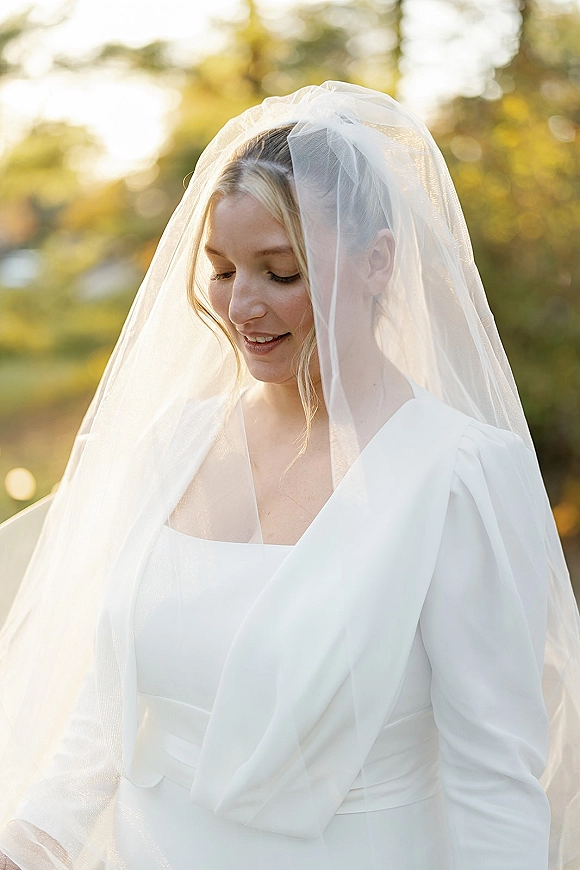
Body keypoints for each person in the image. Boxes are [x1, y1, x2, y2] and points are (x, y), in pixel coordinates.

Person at [0, 80, 579, 870]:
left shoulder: (455, 477)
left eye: (280, 272)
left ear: (378, 263)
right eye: (222, 269)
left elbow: (495, 782)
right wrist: (34, 841)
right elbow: (109, 703)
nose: (241, 307)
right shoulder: (174, 443)